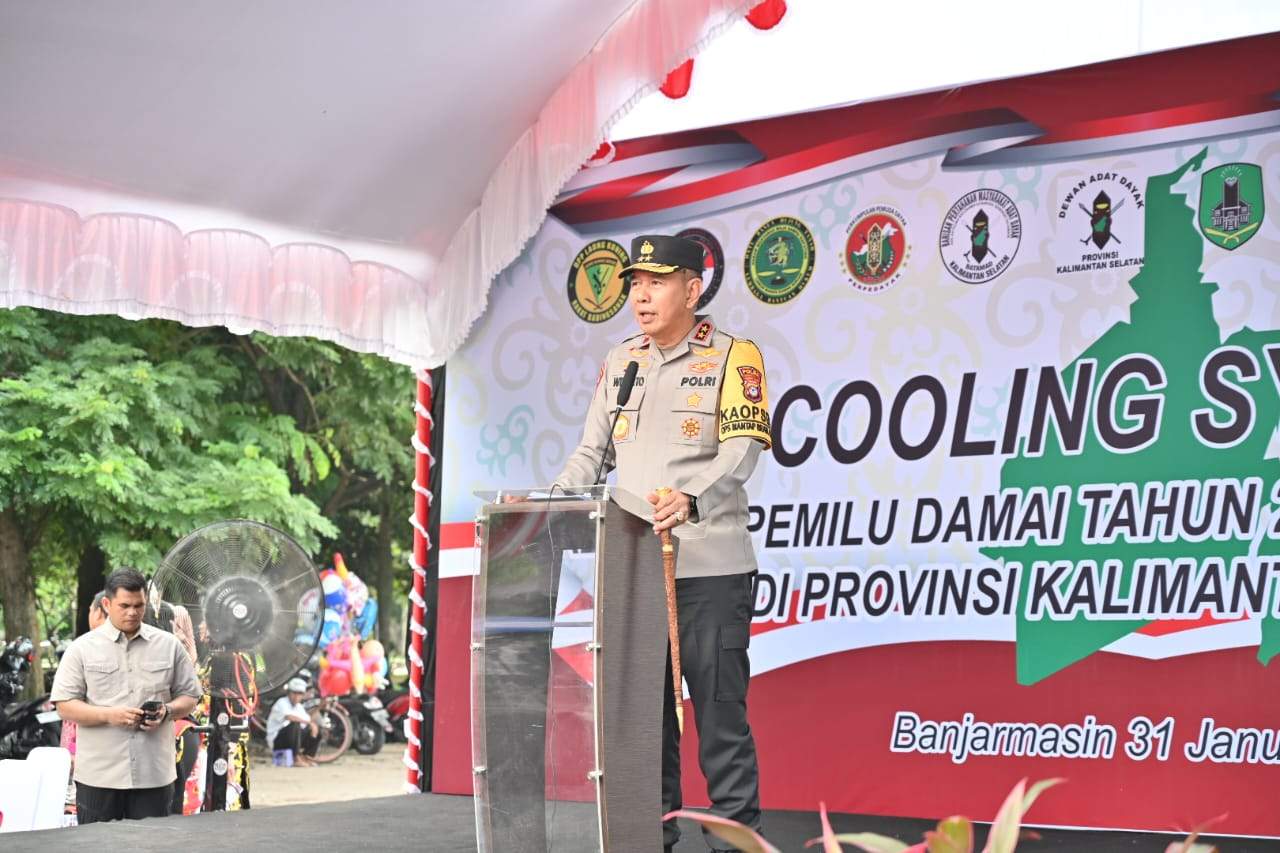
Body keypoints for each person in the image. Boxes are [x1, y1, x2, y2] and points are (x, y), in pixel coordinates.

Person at [553, 234, 772, 852]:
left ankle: (737, 845)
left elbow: (741, 452)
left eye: (656, 281)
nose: (641, 295)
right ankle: (653, 841)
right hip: (636, 570)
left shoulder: (735, 357)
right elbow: (590, 454)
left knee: (718, 715)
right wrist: (549, 501)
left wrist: (692, 496)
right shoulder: (621, 361)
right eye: (634, 283)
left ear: (692, 289)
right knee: (646, 726)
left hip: (710, 568)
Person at [50, 568, 202, 824]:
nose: (132, 612)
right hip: (99, 776)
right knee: (99, 846)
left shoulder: (169, 645)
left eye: (139, 605)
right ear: (107, 604)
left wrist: (167, 711)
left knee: (150, 846)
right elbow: (65, 706)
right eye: (124, 605)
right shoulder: (81, 649)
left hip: (153, 774)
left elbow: (190, 696)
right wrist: (110, 715)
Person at [59, 590, 110, 760]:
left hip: (87, 741)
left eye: (90, 610)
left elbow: (68, 702)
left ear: (98, 612)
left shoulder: (82, 647)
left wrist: (70, 750)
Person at [265, 677, 319, 767]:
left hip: (291, 738)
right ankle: (295, 757)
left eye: (300, 694)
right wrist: (309, 723)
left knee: (316, 728)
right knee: (295, 725)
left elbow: (307, 720)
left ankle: (307, 757)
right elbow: (290, 717)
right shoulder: (281, 702)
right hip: (277, 740)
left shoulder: (299, 707)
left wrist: (313, 723)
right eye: (294, 693)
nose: (296, 696)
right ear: (289, 693)